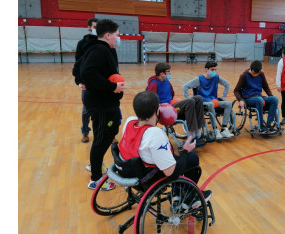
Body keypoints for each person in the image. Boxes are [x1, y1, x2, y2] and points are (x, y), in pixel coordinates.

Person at [118, 91, 211, 207]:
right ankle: (188, 197)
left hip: (129, 170)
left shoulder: (129, 121)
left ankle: (178, 193)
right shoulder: (155, 134)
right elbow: (170, 172)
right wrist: (186, 150)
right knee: (192, 158)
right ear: (157, 111)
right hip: (147, 179)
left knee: (177, 158)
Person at [81, 19, 125, 190]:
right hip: (102, 105)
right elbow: (87, 72)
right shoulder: (99, 50)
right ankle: (96, 179)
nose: (118, 37)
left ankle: (95, 166)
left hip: (102, 103)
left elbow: (81, 69)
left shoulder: (100, 49)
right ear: (108, 35)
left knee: (104, 135)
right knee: (103, 137)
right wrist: (112, 86)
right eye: (117, 34)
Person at [146, 63, 208, 147]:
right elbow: (151, 101)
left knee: (198, 98)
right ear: (162, 74)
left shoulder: (166, 81)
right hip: (164, 112)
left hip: (171, 107)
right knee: (189, 102)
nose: (170, 73)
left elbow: (172, 94)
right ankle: (191, 137)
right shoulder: (154, 84)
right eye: (168, 72)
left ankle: (198, 134)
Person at [182, 61, 234, 139]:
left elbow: (227, 84)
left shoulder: (216, 77)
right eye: (212, 70)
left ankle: (224, 129)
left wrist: (224, 96)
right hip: (203, 103)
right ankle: (215, 129)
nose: (214, 72)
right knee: (211, 104)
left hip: (214, 101)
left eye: (215, 70)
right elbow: (185, 86)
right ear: (206, 69)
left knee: (228, 103)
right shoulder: (199, 79)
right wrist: (188, 100)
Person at [234, 60, 279, 133]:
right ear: (251, 69)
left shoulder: (261, 74)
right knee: (259, 99)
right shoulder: (244, 76)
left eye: (257, 73)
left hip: (259, 97)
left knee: (275, 99)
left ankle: (269, 124)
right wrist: (240, 100)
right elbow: (236, 90)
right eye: (254, 72)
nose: (256, 74)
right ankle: (261, 126)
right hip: (248, 98)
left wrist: (270, 97)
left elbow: (266, 87)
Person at [74, 17, 98, 143]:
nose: (96, 30)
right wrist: (79, 81)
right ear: (88, 27)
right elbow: (78, 63)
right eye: (94, 27)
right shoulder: (82, 44)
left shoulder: (103, 42)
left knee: (104, 109)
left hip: (101, 82)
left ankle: (103, 133)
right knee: (86, 111)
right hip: (87, 83)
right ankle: (85, 132)